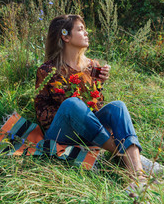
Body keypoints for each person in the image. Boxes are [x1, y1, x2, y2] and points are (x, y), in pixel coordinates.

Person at [34, 14, 145, 181]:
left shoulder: (92, 66)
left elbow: (96, 105)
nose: (86, 33)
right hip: (61, 133)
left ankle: (138, 177)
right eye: (80, 29)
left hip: (89, 130)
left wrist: (99, 85)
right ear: (65, 36)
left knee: (118, 106)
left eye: (85, 29)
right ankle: (125, 155)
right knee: (72, 104)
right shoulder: (48, 70)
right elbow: (43, 114)